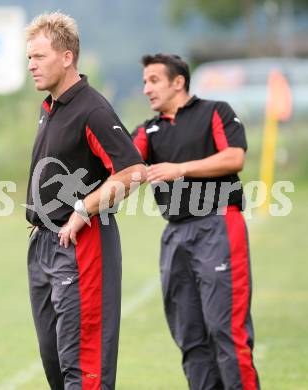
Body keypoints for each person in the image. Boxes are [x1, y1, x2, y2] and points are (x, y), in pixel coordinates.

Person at [25, 12, 146, 390]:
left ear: (67, 57)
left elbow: (132, 172)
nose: (31, 66)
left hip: (81, 246)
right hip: (43, 246)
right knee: (55, 366)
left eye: (39, 57)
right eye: (29, 58)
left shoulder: (92, 109)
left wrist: (82, 209)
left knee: (84, 369)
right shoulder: (51, 107)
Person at [132, 53, 260, 390]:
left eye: (154, 80)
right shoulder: (148, 130)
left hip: (218, 225)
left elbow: (234, 157)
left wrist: (180, 168)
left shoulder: (215, 111)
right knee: (190, 336)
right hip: (175, 235)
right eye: (144, 81)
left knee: (225, 330)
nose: (146, 88)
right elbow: (126, 165)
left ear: (178, 82)